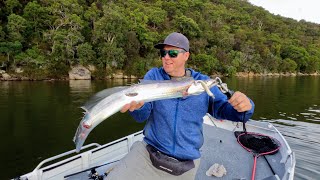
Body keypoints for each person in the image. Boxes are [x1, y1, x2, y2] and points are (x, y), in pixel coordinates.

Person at [107, 32, 254, 180]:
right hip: (149, 153)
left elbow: (227, 111)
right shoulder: (153, 76)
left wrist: (245, 107)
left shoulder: (201, 83)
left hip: (186, 163)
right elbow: (142, 115)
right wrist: (137, 107)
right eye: (163, 53)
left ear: (186, 56)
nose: (166, 57)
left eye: (172, 53)